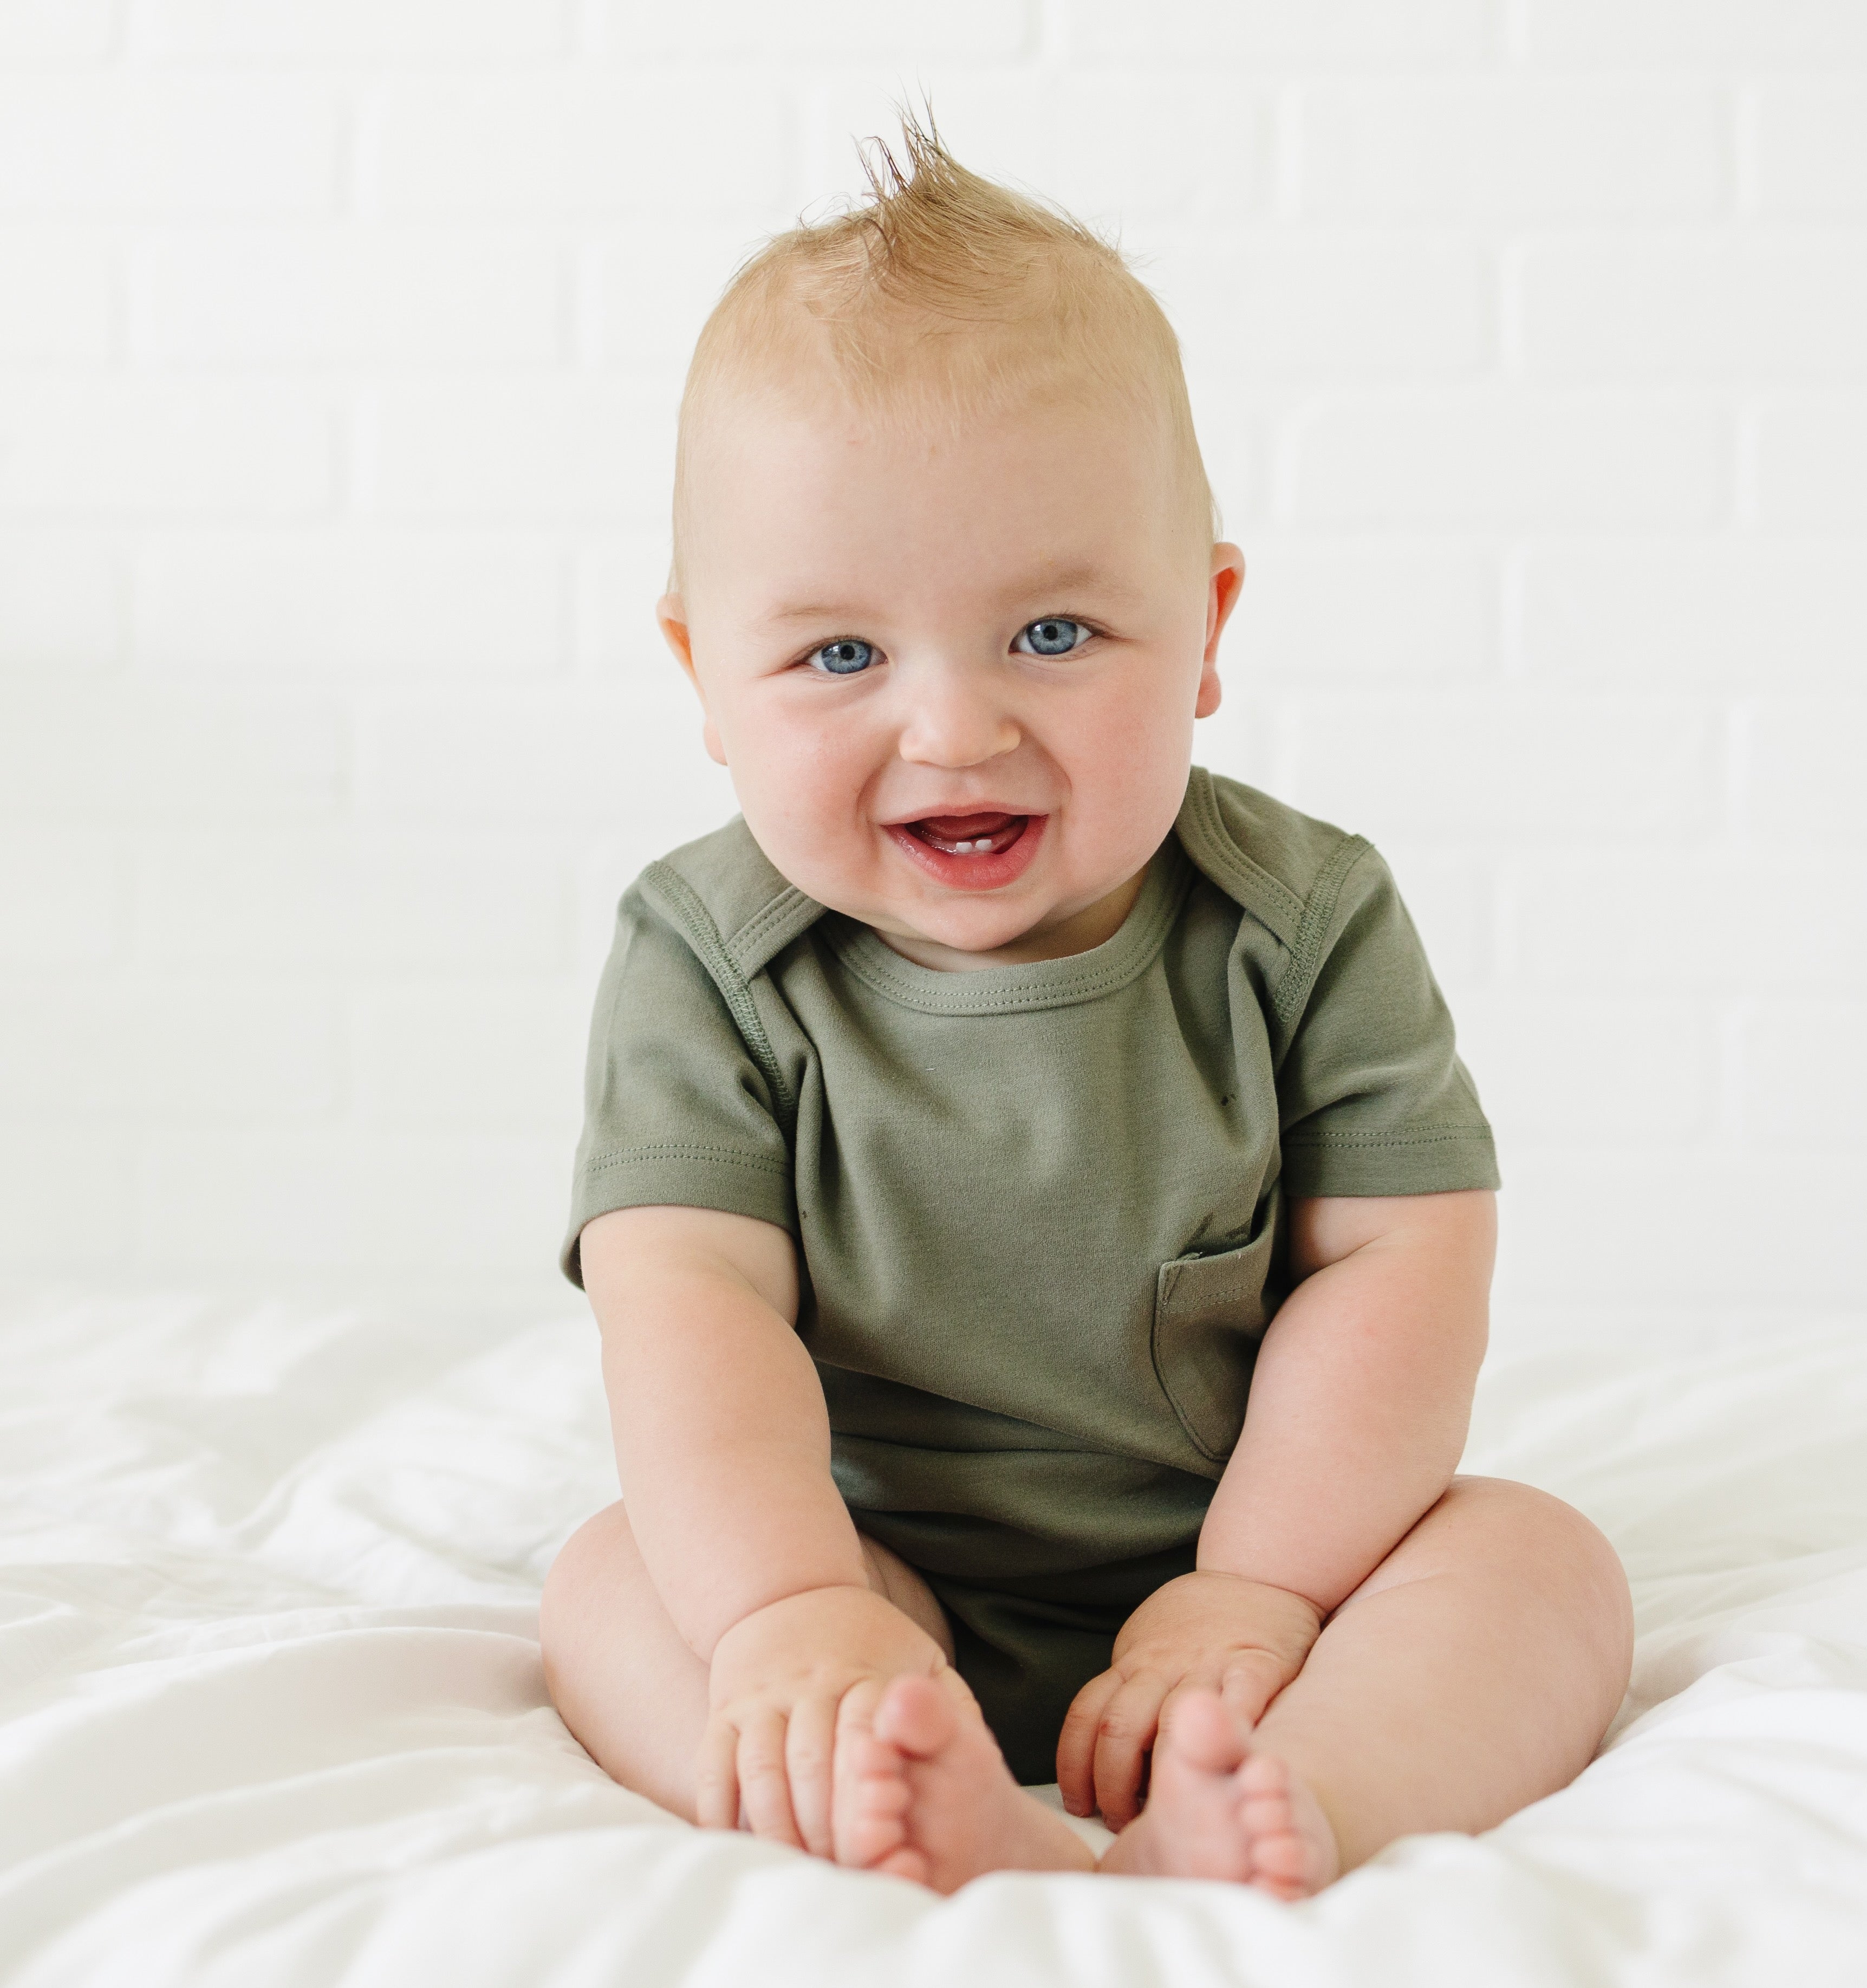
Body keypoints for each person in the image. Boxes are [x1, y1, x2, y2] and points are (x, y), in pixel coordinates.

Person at [538, 114, 1632, 1900]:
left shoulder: (1302, 922)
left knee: (1539, 1565)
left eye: (1052, 634)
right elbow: (688, 1306)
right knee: (612, 1587)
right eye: (839, 654)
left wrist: (1256, 1590)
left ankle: (1287, 1800)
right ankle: (903, 1787)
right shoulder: (710, 959)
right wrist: (791, 1610)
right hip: (869, 1573)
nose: (954, 729)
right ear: (704, 679)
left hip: (1269, 1577)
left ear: (1205, 631)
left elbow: (1403, 1265)